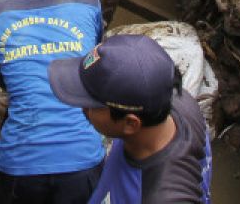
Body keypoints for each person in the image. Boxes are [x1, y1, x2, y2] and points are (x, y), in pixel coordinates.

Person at [0, 0, 107, 204]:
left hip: (19, 164)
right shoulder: (87, 0)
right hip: (83, 160)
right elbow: (93, 63)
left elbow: (0, 78)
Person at [48, 34, 213, 204]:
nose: (82, 108)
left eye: (90, 105)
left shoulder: (160, 196)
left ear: (130, 123)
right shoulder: (178, 101)